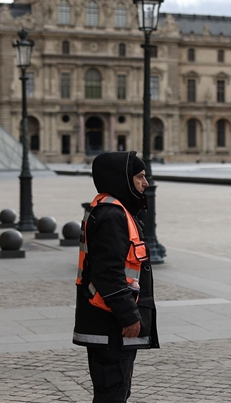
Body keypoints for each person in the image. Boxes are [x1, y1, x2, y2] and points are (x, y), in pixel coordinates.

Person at [73, 151, 159, 403]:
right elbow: (108, 272)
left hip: (106, 321)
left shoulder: (112, 208)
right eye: (140, 177)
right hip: (112, 323)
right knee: (112, 394)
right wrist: (129, 315)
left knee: (114, 391)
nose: (146, 183)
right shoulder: (113, 216)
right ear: (122, 179)